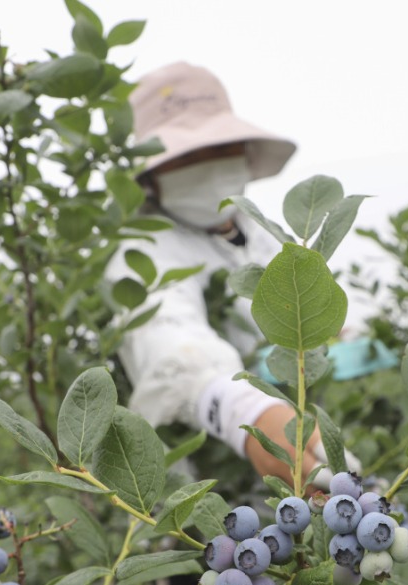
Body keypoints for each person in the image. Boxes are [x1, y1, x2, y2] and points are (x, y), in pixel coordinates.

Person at [109, 61, 325, 485]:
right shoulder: (143, 250)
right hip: (218, 482)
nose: (207, 164)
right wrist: (245, 410)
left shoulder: (266, 237)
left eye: (218, 148)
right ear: (151, 176)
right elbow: (166, 334)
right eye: (188, 156)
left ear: (244, 154)